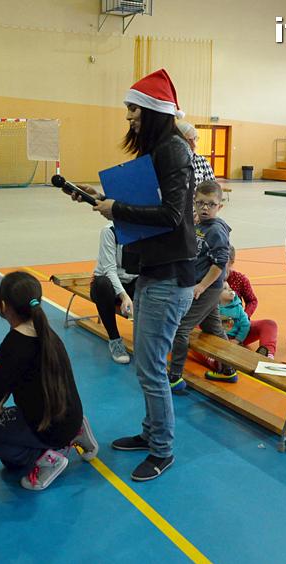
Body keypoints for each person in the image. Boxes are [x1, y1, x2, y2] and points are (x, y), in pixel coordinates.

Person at [72, 68, 196, 482]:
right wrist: (112, 201)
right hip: (151, 271)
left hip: (170, 275)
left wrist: (118, 210)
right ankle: (149, 434)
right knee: (147, 365)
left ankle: (163, 450)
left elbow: (172, 214)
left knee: (150, 368)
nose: (128, 117)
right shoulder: (159, 150)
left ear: (152, 112)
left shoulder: (173, 150)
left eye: (133, 110)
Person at [0, 271, 98, 491]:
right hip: (71, 416)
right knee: (10, 463)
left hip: (50, 427)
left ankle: (48, 458)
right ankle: (76, 431)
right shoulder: (49, 334)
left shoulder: (14, 345)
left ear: (3, 306)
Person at [166, 180, 236, 391]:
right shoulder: (201, 225)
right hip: (202, 286)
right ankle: (228, 370)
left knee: (181, 328)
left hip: (209, 288)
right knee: (213, 328)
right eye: (200, 203)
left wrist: (202, 287)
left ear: (219, 206)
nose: (205, 208)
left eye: (211, 204)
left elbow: (220, 263)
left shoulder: (215, 230)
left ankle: (175, 376)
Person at [90, 222, 137, 364]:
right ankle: (115, 340)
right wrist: (124, 296)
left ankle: (147, 342)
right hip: (108, 283)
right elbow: (109, 270)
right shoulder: (110, 231)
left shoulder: (145, 229)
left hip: (134, 281)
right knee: (102, 284)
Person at [224, 246, 278, 358]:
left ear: (231, 262)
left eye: (223, 261)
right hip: (215, 328)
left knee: (270, 324)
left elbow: (252, 300)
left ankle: (267, 355)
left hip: (237, 328)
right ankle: (217, 361)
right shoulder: (206, 278)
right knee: (195, 332)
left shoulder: (240, 279)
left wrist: (244, 316)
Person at [177, 121, 216, 186]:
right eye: (188, 140)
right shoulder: (171, 161)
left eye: (195, 139)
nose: (194, 145)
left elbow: (212, 188)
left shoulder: (202, 161)